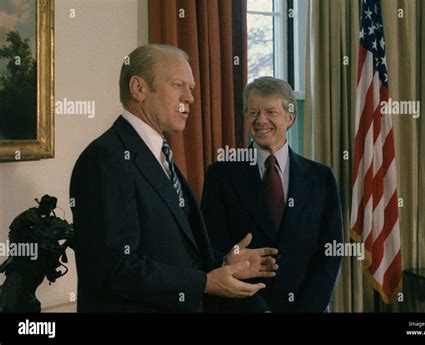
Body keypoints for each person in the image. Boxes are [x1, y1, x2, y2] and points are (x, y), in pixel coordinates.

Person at [69, 45, 278, 312]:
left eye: (191, 88)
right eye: (179, 85)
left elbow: (172, 253)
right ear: (139, 88)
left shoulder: (157, 154)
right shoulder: (105, 160)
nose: (190, 98)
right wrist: (204, 282)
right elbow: (115, 268)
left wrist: (225, 263)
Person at [201, 77, 343, 312]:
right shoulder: (221, 175)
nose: (261, 120)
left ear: (290, 117)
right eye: (254, 112)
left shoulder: (321, 178)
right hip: (241, 308)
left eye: (270, 112)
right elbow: (213, 248)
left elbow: (330, 253)